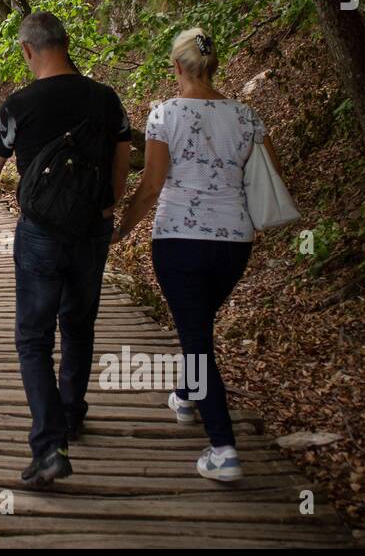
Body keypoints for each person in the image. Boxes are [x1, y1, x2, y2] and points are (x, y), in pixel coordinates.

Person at [111, 27, 282, 483]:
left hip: (179, 240)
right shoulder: (246, 116)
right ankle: (187, 394)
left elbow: (150, 185)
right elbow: (270, 176)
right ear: (214, 67)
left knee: (196, 337)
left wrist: (123, 228)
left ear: (176, 67)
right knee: (197, 328)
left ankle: (224, 447)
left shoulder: (165, 114)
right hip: (233, 243)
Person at [0, 12, 131, 487]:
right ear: (66, 43)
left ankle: (49, 447)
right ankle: (72, 414)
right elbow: (122, 164)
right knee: (79, 325)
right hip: (92, 231)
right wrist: (107, 206)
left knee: (34, 338)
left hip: (40, 233)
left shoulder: (19, 103)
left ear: (26, 50)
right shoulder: (106, 98)